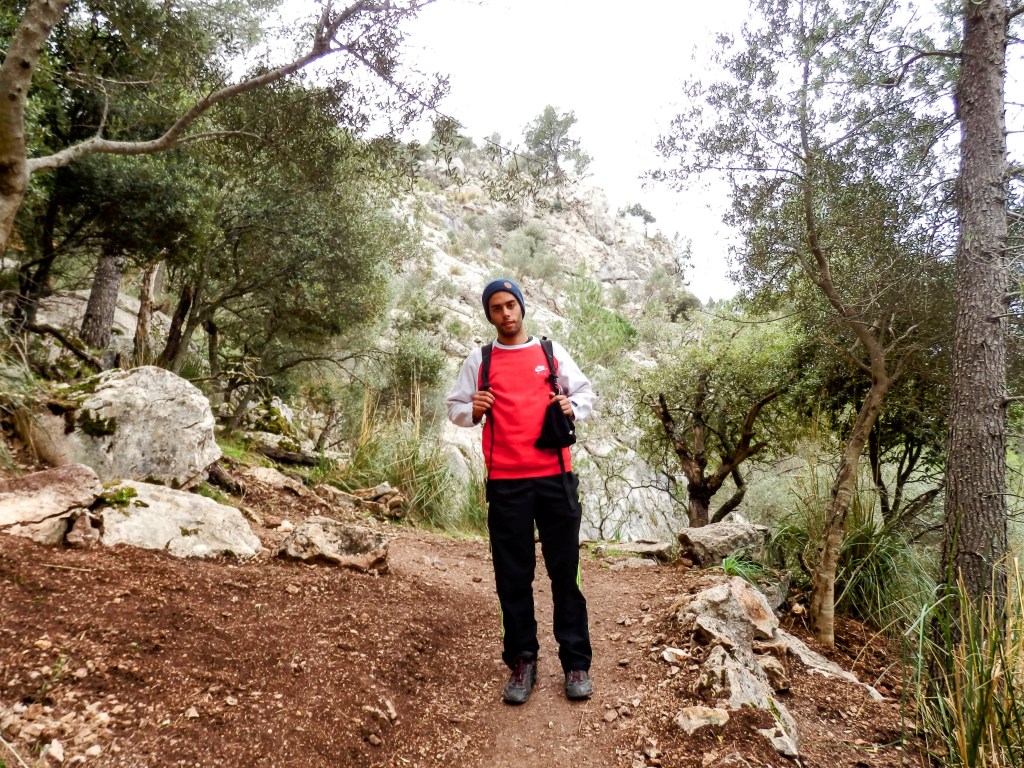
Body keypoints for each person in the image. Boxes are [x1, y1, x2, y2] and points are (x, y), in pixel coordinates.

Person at [446, 277, 595, 705]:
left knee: (565, 574)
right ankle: (522, 661)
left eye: (511, 305)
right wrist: (471, 410)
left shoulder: (549, 352)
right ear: (488, 314)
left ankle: (576, 662)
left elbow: (585, 393)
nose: (506, 313)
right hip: (506, 483)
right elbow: (455, 407)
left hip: (555, 479)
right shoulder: (482, 358)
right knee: (513, 577)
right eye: (497, 307)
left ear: (522, 307)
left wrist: (573, 405)